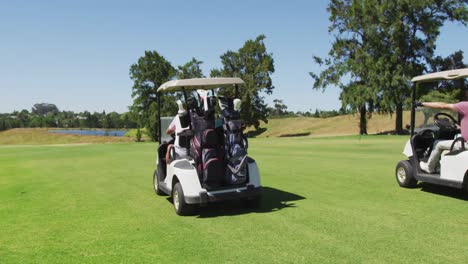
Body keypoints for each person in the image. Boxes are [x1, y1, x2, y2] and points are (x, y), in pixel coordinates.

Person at [418, 100, 468, 173]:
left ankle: (429, 168)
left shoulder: (465, 105)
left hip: (465, 144)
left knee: (438, 144)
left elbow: (442, 105)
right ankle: (440, 166)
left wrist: (422, 104)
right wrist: (460, 127)